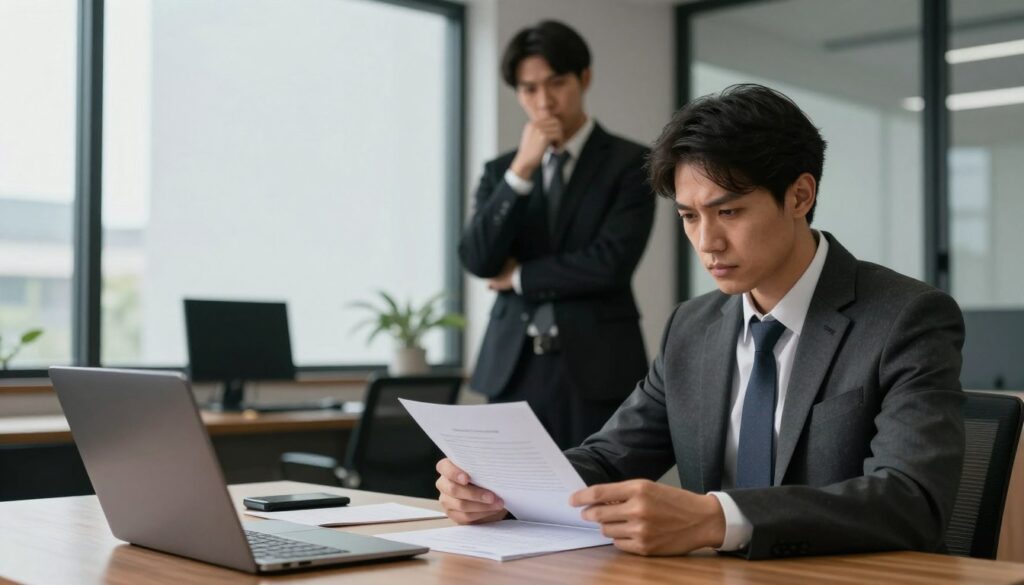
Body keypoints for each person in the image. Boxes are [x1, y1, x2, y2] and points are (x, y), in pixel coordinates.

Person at [438, 84, 966, 560]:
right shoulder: (692, 326)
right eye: (690, 216)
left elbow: (910, 499)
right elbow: (610, 456)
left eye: (729, 212)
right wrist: (502, 491)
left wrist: (717, 519)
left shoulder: (906, 317)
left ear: (800, 196)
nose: (707, 242)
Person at [459, 20, 655, 449]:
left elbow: (610, 264)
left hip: (596, 366)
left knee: (594, 503)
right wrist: (521, 173)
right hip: (513, 366)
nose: (544, 102)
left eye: (557, 83)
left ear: (584, 78)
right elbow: (477, 259)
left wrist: (519, 277)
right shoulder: (502, 171)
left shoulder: (631, 163)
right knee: (504, 503)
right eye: (529, 89)